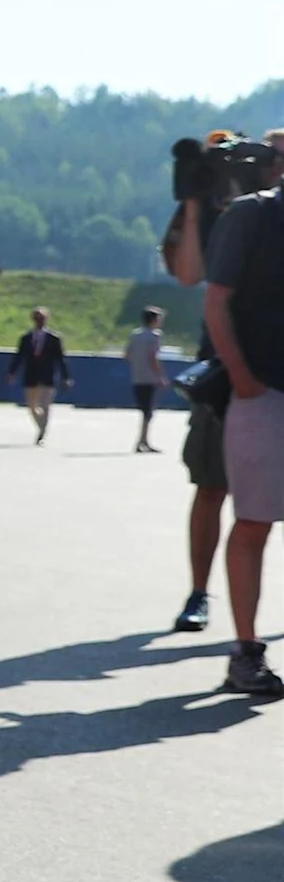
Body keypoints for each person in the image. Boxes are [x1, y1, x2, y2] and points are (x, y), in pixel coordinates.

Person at [162, 135, 284, 636]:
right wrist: (193, 205)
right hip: (229, 372)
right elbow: (189, 276)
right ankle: (199, 591)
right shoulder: (227, 208)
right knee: (212, 487)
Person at [200, 171, 284, 696]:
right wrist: (245, 381)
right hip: (265, 392)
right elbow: (216, 301)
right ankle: (246, 652)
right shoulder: (254, 215)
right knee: (254, 523)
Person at [7, 306, 70, 446]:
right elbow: (19, 357)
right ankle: (40, 425)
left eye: (42, 318)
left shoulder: (54, 339)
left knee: (45, 405)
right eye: (37, 318)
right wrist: (12, 372)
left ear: (46, 319)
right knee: (32, 406)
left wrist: (66, 377)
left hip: (48, 377)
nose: (39, 321)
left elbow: (61, 359)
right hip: (31, 376)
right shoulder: (26, 338)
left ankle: (42, 433)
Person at [127, 307, 170, 454]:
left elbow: (127, 355)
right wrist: (161, 376)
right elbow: (153, 357)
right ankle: (142, 441)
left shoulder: (135, 335)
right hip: (150, 378)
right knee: (148, 411)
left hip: (137, 376)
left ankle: (143, 440)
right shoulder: (155, 336)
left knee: (144, 410)